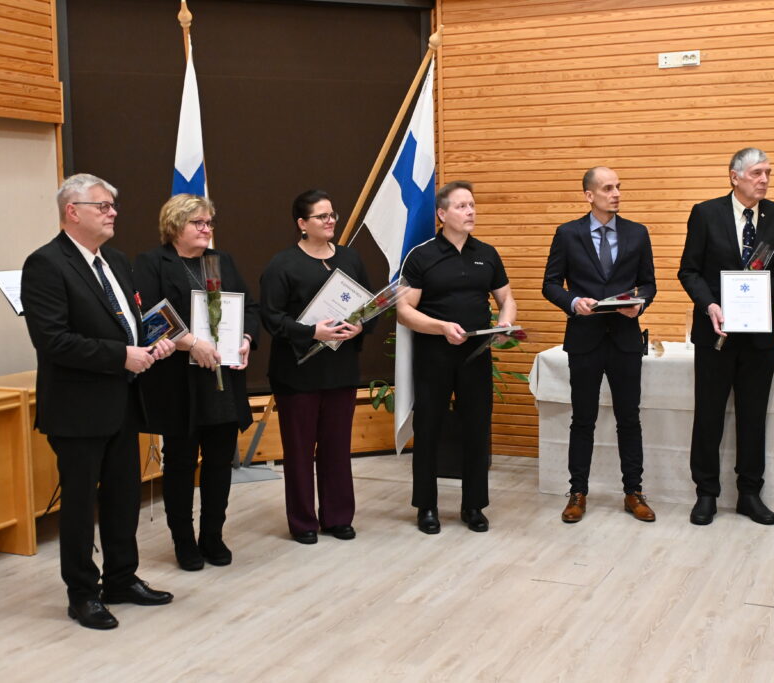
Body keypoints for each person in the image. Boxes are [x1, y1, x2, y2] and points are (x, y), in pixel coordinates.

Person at [20, 173, 176, 630]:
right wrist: (121, 356)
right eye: (103, 206)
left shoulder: (117, 262)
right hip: (77, 408)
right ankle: (83, 594)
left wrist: (153, 344)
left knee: (124, 497)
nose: (113, 213)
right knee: (79, 505)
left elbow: (129, 323)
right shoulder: (46, 264)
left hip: (122, 401)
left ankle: (122, 579)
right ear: (72, 211)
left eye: (112, 206)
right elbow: (53, 341)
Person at [134, 194, 260, 570]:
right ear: (175, 226)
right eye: (198, 223)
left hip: (222, 380)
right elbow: (149, 317)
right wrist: (191, 343)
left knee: (220, 463)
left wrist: (246, 339)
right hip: (178, 381)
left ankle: (213, 536)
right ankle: (184, 541)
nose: (207, 229)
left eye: (209, 223)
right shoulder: (152, 263)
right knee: (180, 464)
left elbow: (250, 308)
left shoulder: (220, 262)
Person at [677, 148, 774, 526]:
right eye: (757, 173)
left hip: (759, 335)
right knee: (709, 415)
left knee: (753, 416)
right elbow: (689, 271)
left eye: (768, 173)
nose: (764, 180)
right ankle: (706, 493)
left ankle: (749, 493)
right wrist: (710, 305)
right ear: (734, 176)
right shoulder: (705, 213)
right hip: (716, 332)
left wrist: (761, 296)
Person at [397, 180, 516, 534]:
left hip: (476, 353)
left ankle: (473, 506)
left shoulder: (487, 253)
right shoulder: (422, 256)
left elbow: (506, 298)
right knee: (429, 428)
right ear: (442, 214)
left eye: (472, 205)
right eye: (462, 206)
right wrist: (440, 327)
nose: (470, 212)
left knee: (476, 428)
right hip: (434, 353)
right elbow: (404, 311)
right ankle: (427, 507)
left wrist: (506, 322)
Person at [542, 166, 657, 524]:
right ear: (589, 195)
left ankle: (633, 491)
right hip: (585, 339)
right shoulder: (568, 234)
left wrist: (640, 304)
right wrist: (573, 302)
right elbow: (550, 284)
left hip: (625, 339)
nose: (616, 193)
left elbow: (648, 283)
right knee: (583, 419)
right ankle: (577, 492)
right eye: (608, 188)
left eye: (618, 187)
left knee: (629, 418)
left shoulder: (637, 233)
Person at [260, 190, 371, 544]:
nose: (330, 220)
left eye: (332, 214)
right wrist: (311, 332)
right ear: (302, 224)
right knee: (299, 450)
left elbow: (368, 307)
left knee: (337, 448)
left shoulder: (350, 258)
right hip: (298, 374)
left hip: (341, 370)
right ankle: (303, 521)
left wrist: (360, 326)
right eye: (322, 216)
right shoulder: (282, 264)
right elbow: (271, 317)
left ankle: (338, 517)